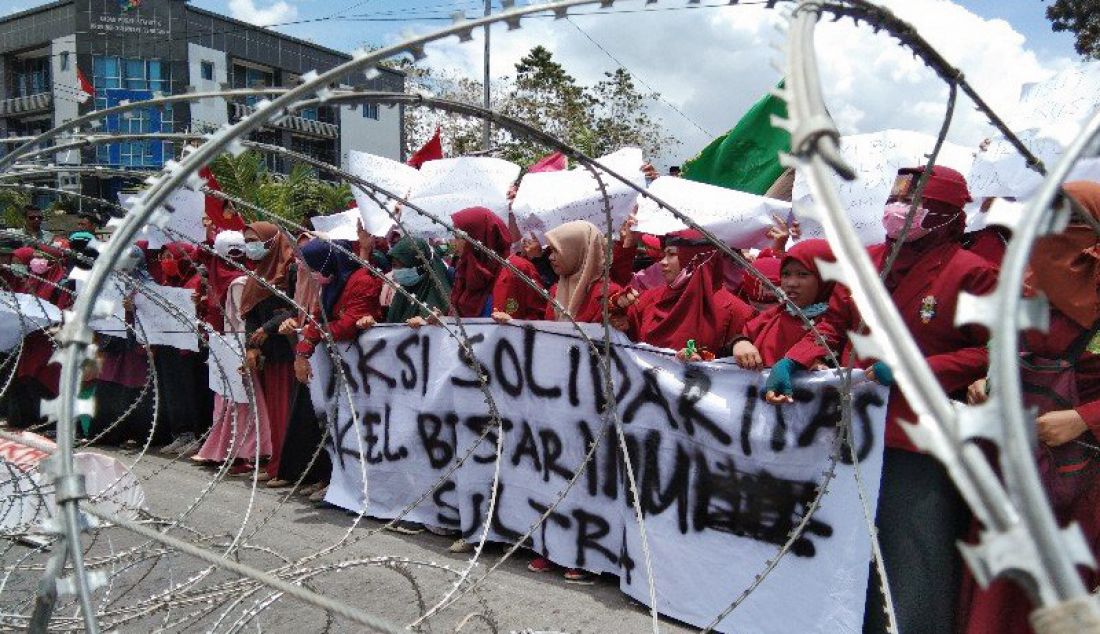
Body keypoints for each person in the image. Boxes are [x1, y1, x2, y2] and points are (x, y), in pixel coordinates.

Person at [764, 166, 997, 634]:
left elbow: (987, 352)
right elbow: (834, 325)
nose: (897, 211)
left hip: (917, 435)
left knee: (909, 547)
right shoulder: (866, 260)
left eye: (913, 204)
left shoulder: (973, 274)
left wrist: (917, 369)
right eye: (894, 199)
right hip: (851, 425)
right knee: (844, 543)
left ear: (946, 215)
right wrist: (797, 358)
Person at [961, 181, 1100, 634]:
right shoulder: (1028, 278)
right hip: (1016, 456)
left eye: (1075, 221)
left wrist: (1084, 419)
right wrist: (988, 381)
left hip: (1081, 470)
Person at [276, 238, 382, 493]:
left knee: (358, 427)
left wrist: (310, 340)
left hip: (367, 370)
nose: (310, 273)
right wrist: (303, 351)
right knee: (335, 423)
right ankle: (336, 481)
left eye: (313, 267)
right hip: (341, 366)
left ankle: (356, 487)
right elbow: (318, 317)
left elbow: (347, 324)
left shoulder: (361, 280)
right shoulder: (332, 282)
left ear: (327, 261)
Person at [192, 231, 273, 473]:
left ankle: (244, 452)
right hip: (225, 346)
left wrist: (244, 348)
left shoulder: (237, 282)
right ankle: (225, 449)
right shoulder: (223, 280)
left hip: (236, 347)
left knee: (242, 401)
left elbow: (240, 319)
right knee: (227, 400)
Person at [613, 229, 755, 360]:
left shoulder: (735, 310)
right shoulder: (650, 298)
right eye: (663, 255)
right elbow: (612, 317)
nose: (662, 262)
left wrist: (738, 344)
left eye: (672, 254)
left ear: (693, 258)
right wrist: (618, 307)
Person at [239, 222, 297, 482]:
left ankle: (287, 467)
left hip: (289, 351)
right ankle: (277, 463)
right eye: (247, 241)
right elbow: (250, 315)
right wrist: (251, 348)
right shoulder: (257, 276)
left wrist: (269, 327)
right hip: (269, 355)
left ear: (273, 242)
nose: (251, 246)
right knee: (274, 413)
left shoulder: (288, 272)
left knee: (287, 412)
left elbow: (297, 308)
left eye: (255, 240)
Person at [730, 239, 835, 369]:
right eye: (785, 274)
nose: (791, 283)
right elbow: (743, 334)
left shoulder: (836, 324)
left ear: (825, 277)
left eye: (802, 274)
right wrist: (740, 343)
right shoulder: (777, 314)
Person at [153, 242, 205, 456]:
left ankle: (196, 434)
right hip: (168, 344)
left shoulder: (197, 282)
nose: (166, 261)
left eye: (170, 257)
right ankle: (180, 433)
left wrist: (199, 303)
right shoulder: (166, 283)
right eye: (162, 257)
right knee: (172, 390)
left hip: (189, 347)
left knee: (189, 390)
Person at [448, 207, 512, 319]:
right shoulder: (463, 271)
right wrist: (438, 322)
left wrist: (512, 321)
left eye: (458, 237)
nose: (453, 244)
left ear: (478, 238)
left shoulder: (511, 273)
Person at [385, 235, 451, 323]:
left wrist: (426, 323)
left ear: (419, 266)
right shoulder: (403, 293)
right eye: (393, 266)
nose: (395, 271)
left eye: (399, 266)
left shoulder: (441, 297)